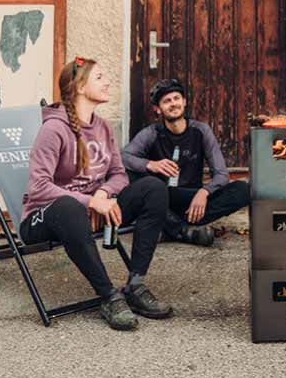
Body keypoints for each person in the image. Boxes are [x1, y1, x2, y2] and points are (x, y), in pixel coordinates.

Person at [18, 57, 173, 331]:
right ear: (79, 87)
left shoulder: (102, 127)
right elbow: (38, 186)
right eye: (99, 77)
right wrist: (90, 202)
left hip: (93, 210)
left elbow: (119, 174)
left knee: (153, 188)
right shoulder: (54, 129)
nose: (108, 82)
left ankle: (135, 285)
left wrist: (102, 193)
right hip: (45, 218)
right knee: (68, 207)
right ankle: (109, 296)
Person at [121, 79, 251, 246]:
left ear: (184, 102)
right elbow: (124, 157)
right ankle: (183, 231)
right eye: (166, 101)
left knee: (242, 189)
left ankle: (167, 226)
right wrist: (151, 164)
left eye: (176, 98)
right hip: (161, 197)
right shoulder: (152, 133)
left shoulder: (201, 131)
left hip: (191, 198)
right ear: (158, 109)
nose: (173, 104)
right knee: (129, 177)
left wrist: (204, 192)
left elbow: (221, 174)